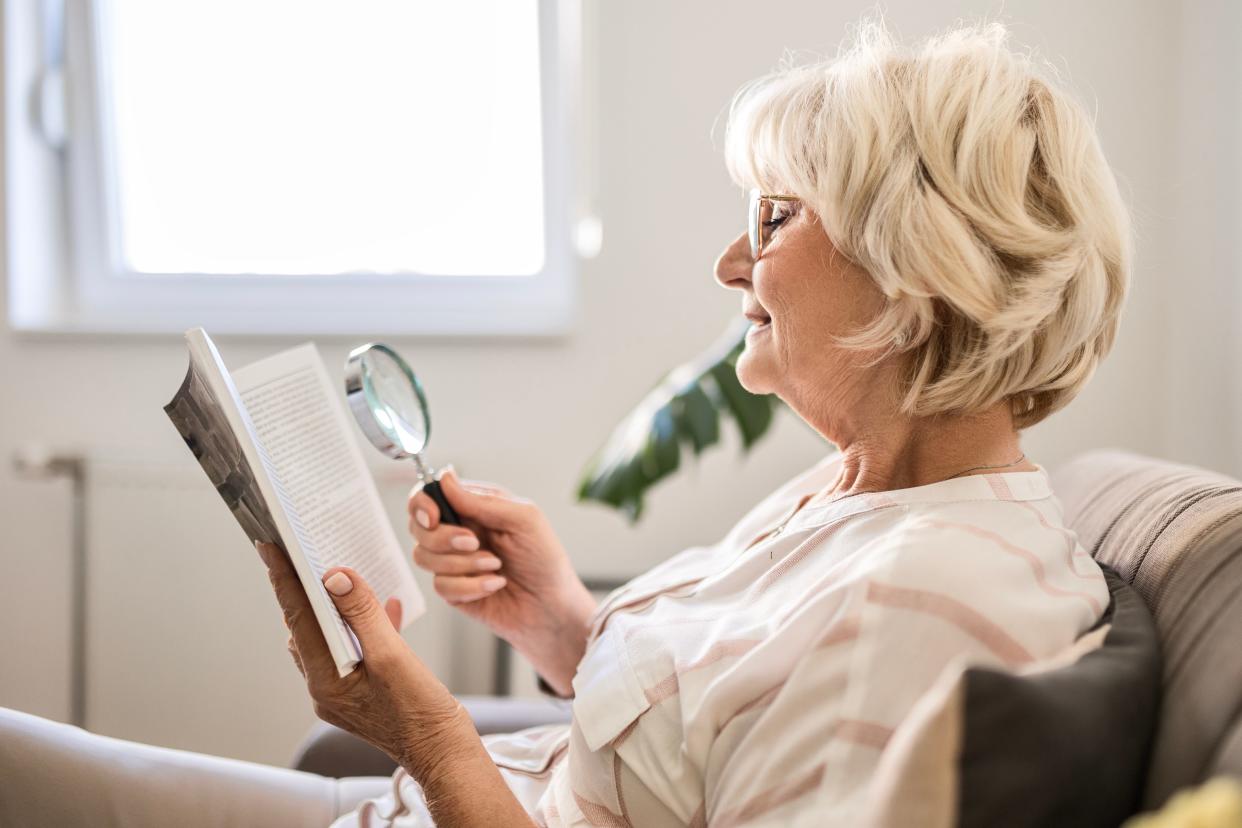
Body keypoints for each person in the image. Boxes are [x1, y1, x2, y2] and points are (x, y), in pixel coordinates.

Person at [0, 18, 1130, 827]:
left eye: (776, 218)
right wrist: (557, 623)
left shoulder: (922, 609)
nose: (730, 260)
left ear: (917, 268)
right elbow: (701, 747)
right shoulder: (864, 495)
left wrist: (429, 732)